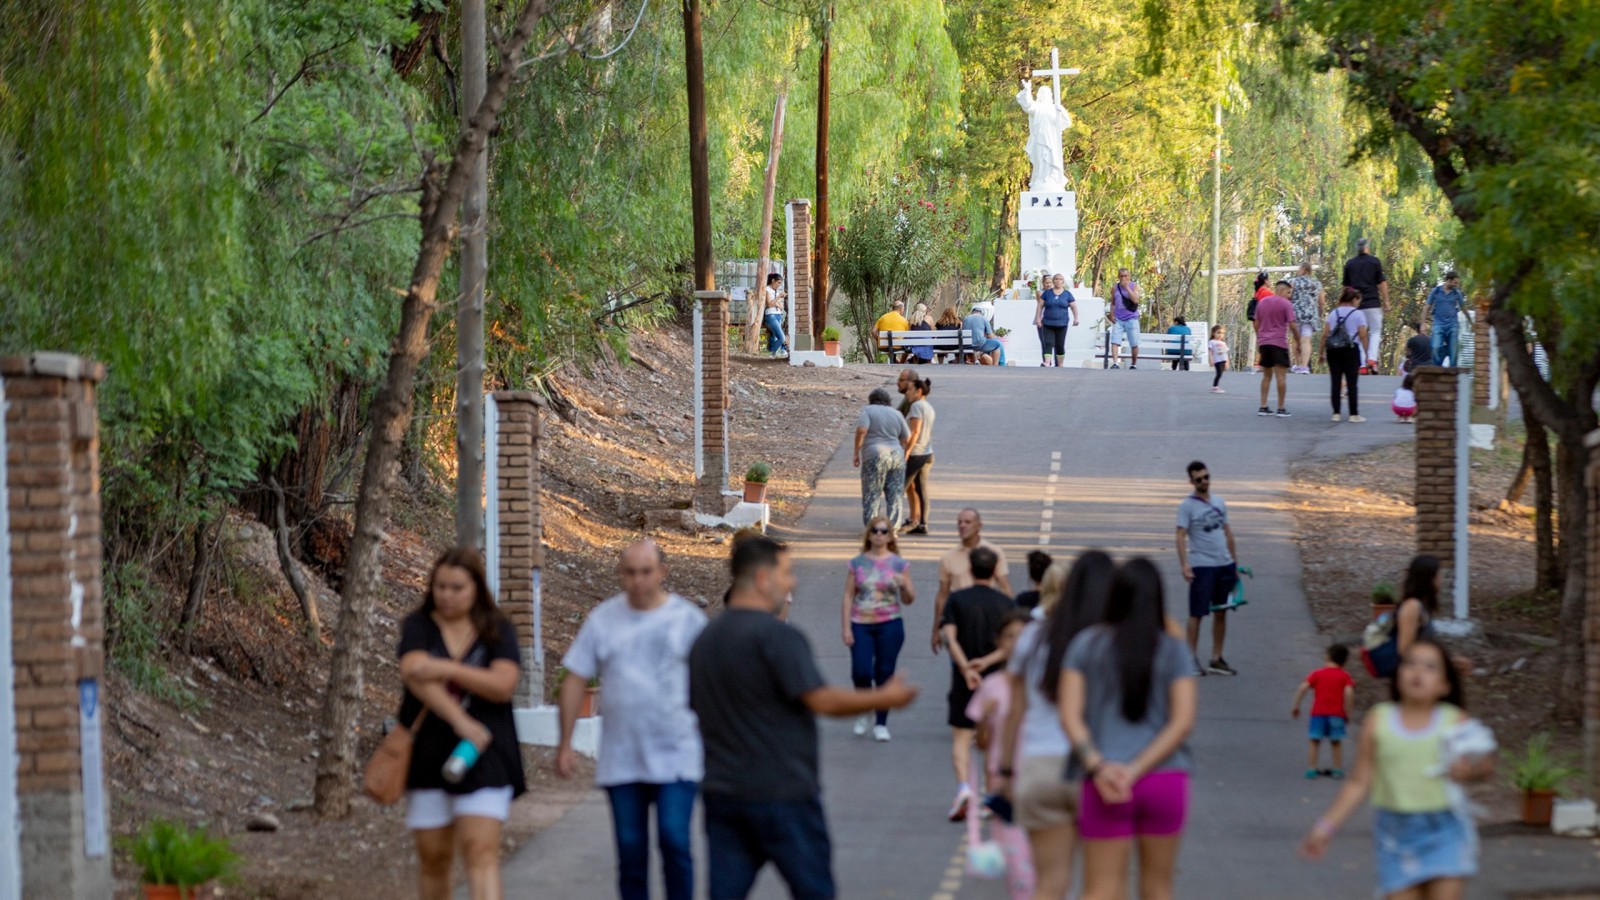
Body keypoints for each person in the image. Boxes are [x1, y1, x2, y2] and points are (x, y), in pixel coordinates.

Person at [690, 536, 918, 900]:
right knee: (814, 890)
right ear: (764, 579)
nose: (793, 582)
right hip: (784, 793)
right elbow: (822, 699)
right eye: (787, 573)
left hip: (724, 794)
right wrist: (884, 697)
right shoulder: (778, 637)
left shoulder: (705, 640)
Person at [556, 541, 706, 900]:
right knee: (630, 850)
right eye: (631, 573)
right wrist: (565, 743)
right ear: (621, 574)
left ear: (662, 572)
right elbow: (576, 677)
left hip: (677, 753)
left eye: (646, 572)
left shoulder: (687, 620)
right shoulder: (604, 620)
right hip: (623, 757)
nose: (638, 580)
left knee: (674, 838)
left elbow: (714, 678)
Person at [1301, 639, 1493, 899]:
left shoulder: (1454, 721)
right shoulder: (1379, 720)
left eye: (1429, 667)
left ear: (1444, 684)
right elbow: (1359, 782)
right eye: (1410, 663)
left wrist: (1469, 771)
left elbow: (1485, 763)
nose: (1417, 671)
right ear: (1397, 674)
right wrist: (1326, 826)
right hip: (1396, 834)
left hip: (1444, 829)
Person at [1058, 558, 1197, 900]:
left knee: (1100, 889)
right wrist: (1135, 769)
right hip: (1163, 778)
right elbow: (1182, 722)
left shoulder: (1086, 645)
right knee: (1158, 888)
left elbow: (1070, 716)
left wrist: (1098, 766)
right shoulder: (1173, 650)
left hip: (1103, 781)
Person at [398, 548, 525, 900]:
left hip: (486, 751)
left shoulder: (496, 629)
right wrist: (459, 719)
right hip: (428, 752)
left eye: (457, 588)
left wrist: (448, 669)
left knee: (480, 851)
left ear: (476, 589)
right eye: (440, 587)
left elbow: (502, 686)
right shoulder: (419, 626)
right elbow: (414, 674)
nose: (447, 595)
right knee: (434, 857)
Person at [999, 552, 1116, 900]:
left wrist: (1005, 771)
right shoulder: (1105, 642)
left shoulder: (1032, 636)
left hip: (1039, 767)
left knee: (1049, 884)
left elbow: (1014, 710)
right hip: (1095, 768)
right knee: (1102, 885)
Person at [940, 546, 1018, 821]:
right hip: (995, 679)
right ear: (995, 570)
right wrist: (985, 663)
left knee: (961, 736)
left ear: (970, 569)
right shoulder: (1006, 603)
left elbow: (949, 636)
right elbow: (1011, 645)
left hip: (965, 681)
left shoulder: (957, 600)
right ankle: (989, 793)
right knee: (992, 738)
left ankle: (963, 787)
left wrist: (966, 667)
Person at [965, 610, 1039, 900]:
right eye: (1010, 637)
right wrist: (985, 721)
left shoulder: (1049, 684)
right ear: (999, 642)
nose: (1017, 643)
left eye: (1023, 636)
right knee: (1018, 868)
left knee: (1045, 863)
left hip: (1041, 779)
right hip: (1003, 781)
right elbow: (982, 742)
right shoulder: (992, 686)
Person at [841, 516, 915, 742]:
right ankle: (865, 710)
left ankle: (881, 723)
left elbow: (910, 599)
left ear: (890, 536)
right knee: (861, 671)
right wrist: (846, 627)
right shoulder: (857, 563)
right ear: (869, 534)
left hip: (890, 623)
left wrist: (903, 584)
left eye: (884, 531)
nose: (879, 534)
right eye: (875, 530)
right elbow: (848, 596)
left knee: (884, 672)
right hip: (860, 623)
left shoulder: (899, 564)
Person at [1175, 461, 1239, 676]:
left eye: (1206, 477)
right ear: (1191, 481)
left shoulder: (1220, 502)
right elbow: (1180, 535)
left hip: (1224, 564)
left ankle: (1216, 658)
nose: (1204, 482)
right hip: (1202, 565)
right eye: (1199, 479)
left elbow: (1228, 532)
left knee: (1221, 612)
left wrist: (1234, 563)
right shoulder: (1187, 506)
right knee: (1197, 613)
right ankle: (1189, 658)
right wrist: (1185, 564)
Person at [933, 508, 1013, 652]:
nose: (962, 526)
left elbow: (1005, 588)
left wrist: (1010, 625)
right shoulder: (948, 557)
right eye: (959, 522)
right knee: (959, 661)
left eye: (968, 522)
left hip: (987, 617)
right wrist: (936, 629)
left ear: (979, 526)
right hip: (959, 618)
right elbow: (942, 594)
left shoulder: (993, 552)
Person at [1290, 643, 1356, 780]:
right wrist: (1348, 712)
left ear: (1327, 657)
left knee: (1314, 741)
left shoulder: (1317, 673)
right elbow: (1349, 693)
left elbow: (1303, 687)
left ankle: (1312, 769)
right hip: (1337, 714)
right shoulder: (1345, 676)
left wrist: (1296, 705)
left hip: (1318, 714)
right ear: (1344, 661)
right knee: (1336, 741)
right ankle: (1337, 769)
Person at [852, 387, 910, 528]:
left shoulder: (868, 410)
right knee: (895, 494)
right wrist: (905, 453)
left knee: (872, 493)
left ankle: (873, 528)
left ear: (871, 400)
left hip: (874, 455)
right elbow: (907, 438)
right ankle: (893, 528)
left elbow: (861, 430)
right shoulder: (896, 413)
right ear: (887, 401)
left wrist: (856, 451)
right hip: (896, 455)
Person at [1342, 238, 1389, 373]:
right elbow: (1382, 283)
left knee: (1358, 334)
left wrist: (1343, 304)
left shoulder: (1350, 264)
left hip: (1355, 306)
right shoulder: (1374, 262)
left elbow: (1345, 287)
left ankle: (1362, 364)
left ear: (1357, 248)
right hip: (1373, 303)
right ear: (1367, 248)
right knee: (1374, 331)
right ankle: (1372, 359)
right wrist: (1386, 301)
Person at [1324, 287, 1370, 423]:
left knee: (1335, 382)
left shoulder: (1333, 313)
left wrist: (1321, 352)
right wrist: (1367, 354)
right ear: (1354, 299)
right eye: (1358, 300)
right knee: (1352, 383)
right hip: (1351, 350)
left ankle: (1336, 413)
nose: (1359, 304)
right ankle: (1353, 414)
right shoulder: (1359, 314)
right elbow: (1362, 335)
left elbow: (1325, 334)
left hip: (1333, 350)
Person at [1255, 280, 1297, 418]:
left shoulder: (1262, 303)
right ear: (1281, 290)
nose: (1289, 296)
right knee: (1281, 375)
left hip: (1264, 343)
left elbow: (1256, 323)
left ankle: (1263, 406)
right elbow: (1292, 325)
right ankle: (1281, 407)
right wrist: (1297, 340)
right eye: (1288, 292)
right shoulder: (1286, 304)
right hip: (1279, 343)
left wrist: (1260, 337)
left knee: (1266, 375)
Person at [903, 377, 936, 535]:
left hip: (916, 453)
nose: (907, 393)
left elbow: (915, 431)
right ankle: (921, 522)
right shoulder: (929, 407)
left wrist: (907, 452)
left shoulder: (916, 406)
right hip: (928, 452)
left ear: (919, 391)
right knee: (920, 489)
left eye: (910, 390)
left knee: (898, 488)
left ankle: (892, 525)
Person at [1034, 273, 1079, 368]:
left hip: (1062, 324)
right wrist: (1038, 318)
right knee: (1048, 343)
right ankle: (1047, 362)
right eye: (1056, 279)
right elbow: (1040, 306)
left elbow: (1074, 306)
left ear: (1063, 281)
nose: (1058, 281)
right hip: (1048, 323)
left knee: (1060, 345)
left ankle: (1060, 364)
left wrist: (1076, 318)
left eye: (1060, 279)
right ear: (1053, 281)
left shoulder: (1067, 294)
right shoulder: (1047, 293)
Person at [1288, 261, 1326, 374]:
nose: (1298, 271)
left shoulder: (1293, 282)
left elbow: (1288, 296)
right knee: (1306, 340)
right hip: (1310, 315)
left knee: (1296, 339)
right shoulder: (1317, 284)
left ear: (1304, 269)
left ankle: (1298, 364)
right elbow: (1322, 302)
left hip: (1296, 314)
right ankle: (1304, 367)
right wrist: (1319, 314)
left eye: (1299, 268)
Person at [1425, 272, 1465, 366]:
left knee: (1454, 351)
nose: (1457, 285)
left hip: (1453, 325)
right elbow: (1427, 307)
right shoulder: (1436, 291)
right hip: (1439, 324)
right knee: (1435, 347)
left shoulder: (1456, 293)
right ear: (1449, 280)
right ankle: (1437, 367)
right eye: (1455, 283)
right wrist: (1422, 323)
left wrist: (1471, 323)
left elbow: (1463, 308)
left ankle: (1452, 371)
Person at [1108, 268, 1141, 369]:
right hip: (1119, 319)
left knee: (1134, 343)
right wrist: (1112, 314)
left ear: (1129, 276)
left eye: (1125, 276)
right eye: (1121, 276)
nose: (1123, 278)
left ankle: (1133, 364)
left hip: (1132, 318)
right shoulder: (1115, 288)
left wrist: (1127, 288)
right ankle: (1115, 363)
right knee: (1115, 341)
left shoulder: (1133, 286)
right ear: (1118, 277)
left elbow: (1136, 300)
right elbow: (1113, 303)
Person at [964, 302, 1006, 366]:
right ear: (981, 313)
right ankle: (996, 365)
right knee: (997, 344)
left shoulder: (966, 319)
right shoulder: (983, 319)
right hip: (979, 344)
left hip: (966, 345)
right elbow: (990, 336)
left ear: (972, 312)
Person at [760, 273, 788, 358]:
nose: (779, 285)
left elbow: (781, 306)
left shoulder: (775, 291)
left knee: (773, 336)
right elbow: (770, 304)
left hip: (778, 315)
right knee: (782, 338)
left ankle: (772, 354)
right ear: (773, 281)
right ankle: (771, 353)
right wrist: (779, 297)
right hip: (771, 316)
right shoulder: (767, 289)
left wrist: (776, 302)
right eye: (778, 283)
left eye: (780, 283)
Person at [1208, 325, 1229, 394]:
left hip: (1223, 360)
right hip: (1217, 360)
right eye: (1218, 332)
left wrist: (1227, 362)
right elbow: (1210, 352)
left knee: (1220, 374)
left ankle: (1216, 386)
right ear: (1214, 333)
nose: (1220, 335)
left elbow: (1225, 353)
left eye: (1222, 333)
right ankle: (1214, 387)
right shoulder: (1212, 342)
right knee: (1219, 374)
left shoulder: (1223, 343)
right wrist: (1211, 360)